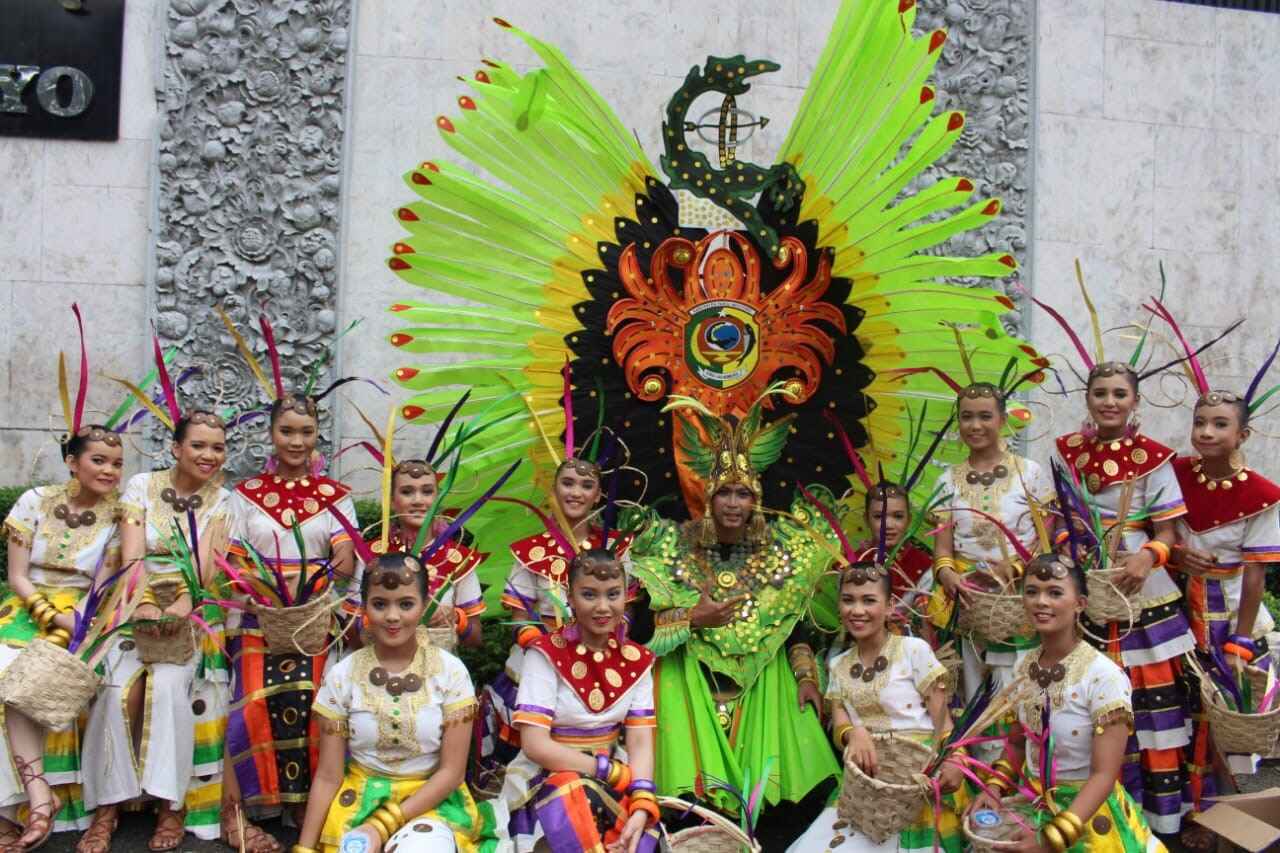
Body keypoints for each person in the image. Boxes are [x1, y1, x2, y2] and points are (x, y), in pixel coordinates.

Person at [628, 395, 839, 814]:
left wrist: (806, 679)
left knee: (782, 804)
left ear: (755, 499)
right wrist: (692, 618)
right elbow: (641, 635)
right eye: (725, 492)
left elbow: (792, 626)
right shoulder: (671, 545)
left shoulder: (781, 550)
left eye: (743, 493)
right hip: (689, 689)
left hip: (763, 688)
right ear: (709, 495)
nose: (733, 503)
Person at [1036, 292, 1197, 836]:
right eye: (1100, 393)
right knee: (1086, 706)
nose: (1109, 402)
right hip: (1086, 586)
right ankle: (1094, 816)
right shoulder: (1070, 453)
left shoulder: (1155, 458)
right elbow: (1059, 516)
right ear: (1089, 400)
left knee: (1150, 708)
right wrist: (1066, 546)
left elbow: (1169, 532)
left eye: (1119, 394)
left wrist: (1146, 557)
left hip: (1141, 591)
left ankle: (1159, 823)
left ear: (1134, 402)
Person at [78, 354, 236, 853]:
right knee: (114, 688)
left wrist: (178, 611)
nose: (209, 456)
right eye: (199, 446)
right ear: (176, 447)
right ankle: (106, 809)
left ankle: (172, 805)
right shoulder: (142, 487)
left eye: (218, 448)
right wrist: (142, 605)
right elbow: (132, 555)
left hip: (193, 609)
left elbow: (207, 573)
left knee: (168, 686)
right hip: (132, 600)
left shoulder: (222, 501)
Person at [293, 553, 509, 853]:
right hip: (359, 804)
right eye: (380, 604)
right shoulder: (343, 675)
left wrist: (381, 826)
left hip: (431, 802)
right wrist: (303, 848)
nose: (392, 617)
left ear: (423, 605)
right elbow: (329, 776)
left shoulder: (449, 672)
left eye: (405, 604)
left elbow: (452, 773)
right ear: (365, 606)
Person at [222, 392, 357, 852]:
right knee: (251, 699)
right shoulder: (246, 496)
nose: (296, 441)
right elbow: (234, 561)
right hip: (259, 617)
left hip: (312, 618)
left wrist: (321, 572)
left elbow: (344, 561)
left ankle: (304, 803)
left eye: (305, 431)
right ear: (271, 434)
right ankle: (248, 807)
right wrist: (263, 593)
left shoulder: (335, 497)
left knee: (314, 697)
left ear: (317, 434)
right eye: (287, 431)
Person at [969, 554, 1167, 853]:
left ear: (1080, 604)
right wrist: (994, 786)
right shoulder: (1023, 666)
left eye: (1055, 593)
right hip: (1036, 806)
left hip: (1085, 816)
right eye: (1032, 592)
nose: (1041, 602)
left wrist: (1051, 840)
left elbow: (1104, 774)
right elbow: (1020, 743)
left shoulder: (1103, 676)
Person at [0, 425, 124, 850]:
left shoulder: (121, 516)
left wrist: (74, 622)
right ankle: (26, 801)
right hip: (25, 608)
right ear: (72, 461)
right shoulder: (34, 502)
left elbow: (103, 587)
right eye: (99, 460)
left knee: (24, 682)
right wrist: (46, 614)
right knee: (6, 672)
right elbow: (17, 576)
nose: (110, 470)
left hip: (81, 618)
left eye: (117, 463)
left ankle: (37, 802)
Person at [787, 559, 965, 853]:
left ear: (890, 606)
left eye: (869, 600)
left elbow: (944, 723)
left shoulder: (913, 650)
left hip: (916, 779)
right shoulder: (838, 665)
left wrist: (956, 761)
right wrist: (853, 735)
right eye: (848, 600)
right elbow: (841, 723)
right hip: (865, 788)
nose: (857, 610)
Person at [501, 548, 659, 852]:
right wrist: (606, 771)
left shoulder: (637, 661)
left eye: (612, 595)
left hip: (618, 774)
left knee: (643, 836)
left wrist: (641, 799)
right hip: (547, 778)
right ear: (570, 599)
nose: (603, 607)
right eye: (589, 595)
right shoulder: (544, 655)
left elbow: (640, 742)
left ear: (624, 598)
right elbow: (535, 745)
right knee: (576, 796)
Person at [482, 456, 631, 767]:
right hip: (542, 659)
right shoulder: (530, 551)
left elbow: (623, 613)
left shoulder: (616, 549)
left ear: (599, 496)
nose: (576, 492)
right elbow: (520, 618)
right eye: (568, 483)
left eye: (586, 485)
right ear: (552, 490)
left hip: (602, 657)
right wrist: (551, 651)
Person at [932, 383, 1052, 699]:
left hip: (1017, 599)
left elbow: (1046, 542)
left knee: (1020, 690)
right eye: (966, 417)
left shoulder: (1030, 472)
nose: (975, 425)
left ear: (1002, 419)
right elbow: (943, 548)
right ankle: (975, 748)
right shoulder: (946, 480)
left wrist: (1013, 568)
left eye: (985, 416)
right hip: (969, 602)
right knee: (973, 694)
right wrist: (949, 576)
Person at [366, 456, 485, 649]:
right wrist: (375, 619)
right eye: (406, 492)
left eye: (427, 492)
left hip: (439, 672)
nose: (418, 501)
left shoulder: (459, 560)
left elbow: (476, 639)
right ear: (392, 501)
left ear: (438, 499)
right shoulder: (370, 555)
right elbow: (352, 634)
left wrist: (456, 617)